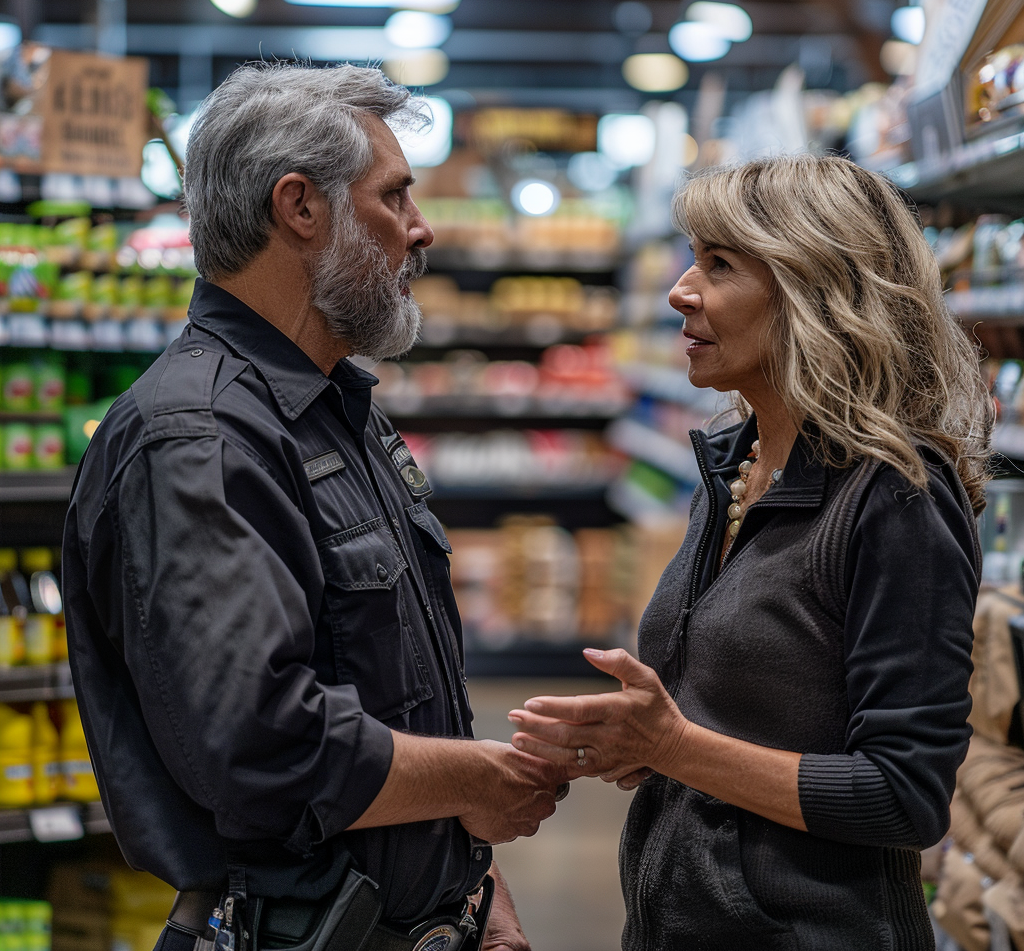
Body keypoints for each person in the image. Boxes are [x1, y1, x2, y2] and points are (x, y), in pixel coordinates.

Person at [62, 63, 568, 951]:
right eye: (395, 198)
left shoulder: (333, 408)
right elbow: (263, 747)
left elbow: (392, 690)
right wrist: (473, 785)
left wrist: (471, 884)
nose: (423, 229)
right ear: (300, 207)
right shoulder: (201, 439)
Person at [509, 154, 992, 950]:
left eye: (720, 264)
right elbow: (733, 715)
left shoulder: (896, 496)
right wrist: (635, 746)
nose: (679, 290)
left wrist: (673, 744)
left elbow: (905, 795)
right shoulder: (733, 464)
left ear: (816, 288)